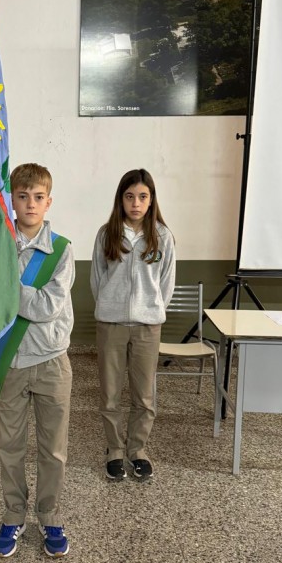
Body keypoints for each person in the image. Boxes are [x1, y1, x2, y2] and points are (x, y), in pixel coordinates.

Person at [0, 163, 75, 559]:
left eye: (37, 197)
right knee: (10, 446)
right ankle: (12, 515)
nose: (29, 204)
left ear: (48, 201)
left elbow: (45, 307)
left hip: (51, 361)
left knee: (52, 447)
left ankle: (50, 515)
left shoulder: (61, 249)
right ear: (12, 199)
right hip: (11, 361)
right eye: (21, 196)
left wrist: (7, 289)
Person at [90, 168, 175, 482]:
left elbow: (166, 283)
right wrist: (109, 307)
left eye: (142, 196)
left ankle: (137, 449)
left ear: (151, 200)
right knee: (110, 392)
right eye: (129, 196)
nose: (136, 203)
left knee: (144, 394)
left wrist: (149, 311)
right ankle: (114, 449)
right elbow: (97, 279)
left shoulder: (162, 236)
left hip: (146, 327)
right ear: (121, 199)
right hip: (111, 325)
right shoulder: (107, 233)